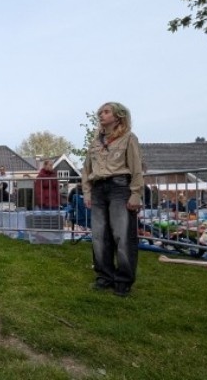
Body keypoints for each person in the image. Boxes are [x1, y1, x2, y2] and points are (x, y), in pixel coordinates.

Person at [82, 101, 143, 296]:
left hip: (119, 187)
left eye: (106, 112)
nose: (101, 115)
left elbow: (136, 167)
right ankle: (104, 276)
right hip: (98, 188)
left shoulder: (128, 138)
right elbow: (86, 170)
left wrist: (135, 193)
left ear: (118, 116)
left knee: (122, 235)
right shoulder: (95, 142)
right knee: (99, 236)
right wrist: (87, 192)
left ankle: (123, 280)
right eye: (100, 112)